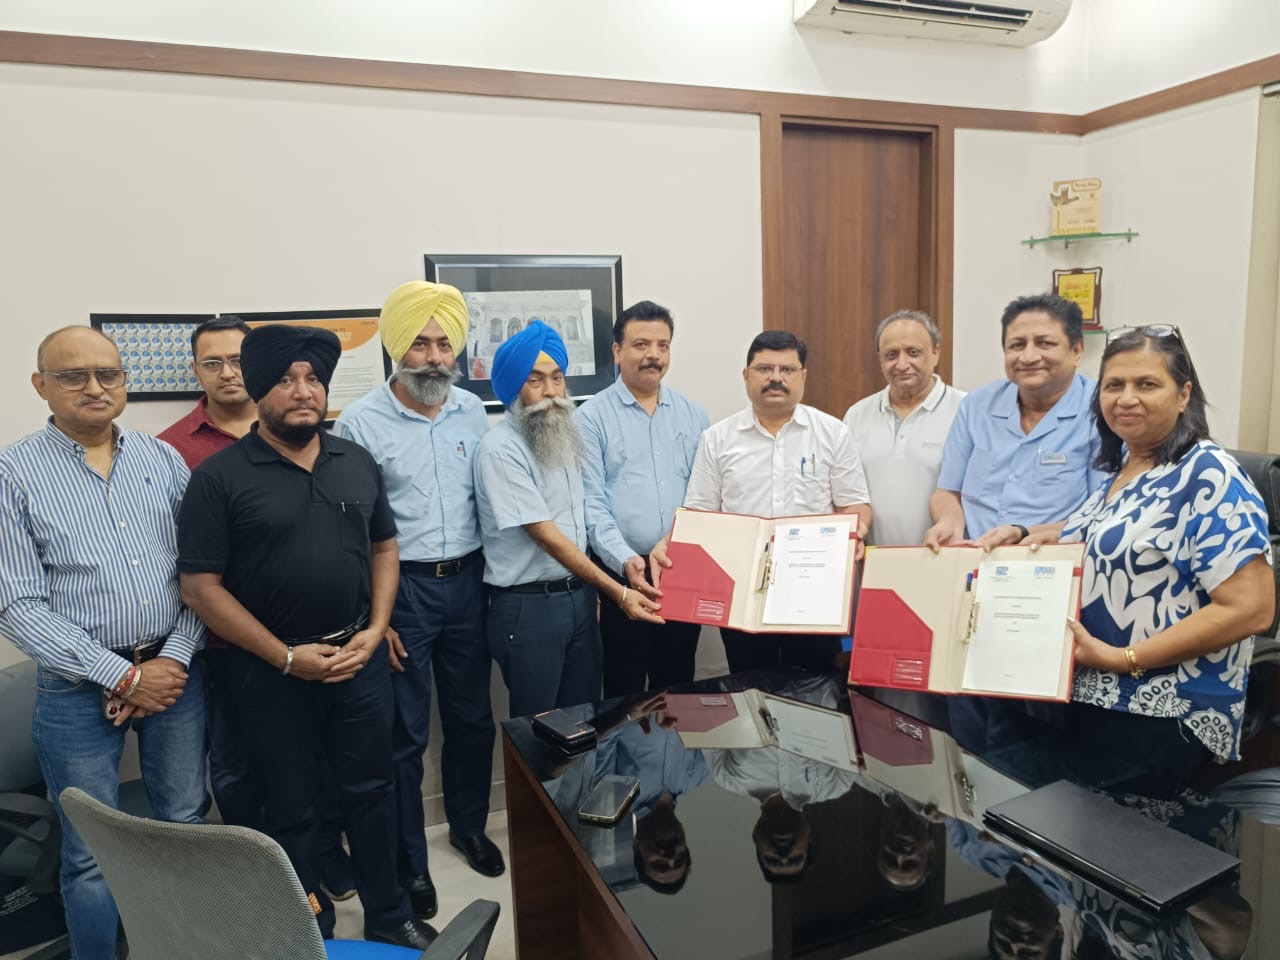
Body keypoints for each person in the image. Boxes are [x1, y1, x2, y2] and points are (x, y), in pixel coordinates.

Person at [177, 325, 434, 949]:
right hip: (268, 674)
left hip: (357, 660)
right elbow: (200, 589)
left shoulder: (355, 461)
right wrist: (287, 658)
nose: (303, 392)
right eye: (287, 380)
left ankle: (389, 914)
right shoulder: (220, 477)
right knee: (288, 806)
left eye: (313, 379)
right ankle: (309, 924)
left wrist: (375, 631)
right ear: (261, 390)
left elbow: (385, 547)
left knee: (373, 791)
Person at [0, 326, 205, 960]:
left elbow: (200, 577)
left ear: (124, 382)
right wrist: (121, 676)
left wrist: (171, 659)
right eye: (72, 376)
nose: (94, 387)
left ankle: (184, 949)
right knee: (89, 853)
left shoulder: (161, 459)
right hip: (75, 688)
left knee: (186, 828)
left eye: (108, 374)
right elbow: (17, 604)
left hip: (176, 673)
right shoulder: (11, 472)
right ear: (41, 386)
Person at [985, 325, 1273, 772]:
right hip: (1089, 703)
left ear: (1183, 395)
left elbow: (1252, 608)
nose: (1126, 398)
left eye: (1147, 384)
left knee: (1134, 842)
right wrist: (1032, 532)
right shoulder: (1127, 465)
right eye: (1113, 385)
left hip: (1161, 717)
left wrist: (1123, 659)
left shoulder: (1210, 473)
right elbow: (1128, 534)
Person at [335, 281, 503, 902]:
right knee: (404, 736)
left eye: (443, 344)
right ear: (395, 348)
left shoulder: (472, 412)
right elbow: (351, 532)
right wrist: (379, 618)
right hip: (401, 593)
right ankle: (412, 864)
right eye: (420, 344)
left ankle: (469, 830)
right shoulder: (360, 422)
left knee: (472, 718)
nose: (434, 357)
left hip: (468, 586)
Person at [653, 329, 871, 673]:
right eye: (764, 369)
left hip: (814, 596)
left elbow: (855, 506)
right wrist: (672, 543)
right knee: (750, 691)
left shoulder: (832, 433)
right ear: (746, 375)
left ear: (803, 377)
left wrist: (856, 533)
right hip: (743, 600)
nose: (775, 379)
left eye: (787, 370)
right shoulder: (717, 440)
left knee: (815, 694)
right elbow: (700, 515)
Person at [474, 320, 661, 718]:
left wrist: (609, 571)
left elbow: (586, 515)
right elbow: (546, 535)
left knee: (583, 721)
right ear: (513, 388)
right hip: (528, 610)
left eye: (557, 378)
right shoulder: (500, 449)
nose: (551, 392)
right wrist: (617, 592)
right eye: (535, 380)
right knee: (539, 730)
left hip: (577, 599)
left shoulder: (563, 436)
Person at [157, 315, 263, 835]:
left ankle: (319, 859)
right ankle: (255, 870)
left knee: (315, 753)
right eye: (213, 362)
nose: (228, 373)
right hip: (219, 642)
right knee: (234, 762)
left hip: (302, 628)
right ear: (196, 371)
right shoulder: (168, 450)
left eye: (239, 360)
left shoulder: (293, 428)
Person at [576, 300, 709, 695]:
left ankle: (672, 759)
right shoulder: (590, 417)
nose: (653, 355)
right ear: (617, 351)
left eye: (663, 345)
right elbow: (591, 503)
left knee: (678, 687)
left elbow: (703, 495)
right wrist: (627, 560)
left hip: (679, 571)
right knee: (624, 692)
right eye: (641, 344)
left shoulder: (694, 414)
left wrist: (678, 547)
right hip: (622, 575)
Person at [925, 293, 1105, 548]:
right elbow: (947, 491)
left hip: (1055, 563)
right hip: (975, 560)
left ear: (1076, 351)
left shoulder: (1102, 410)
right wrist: (948, 522)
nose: (1029, 357)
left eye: (1044, 343)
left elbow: (1104, 509)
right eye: (1017, 345)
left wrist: (1024, 532)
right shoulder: (976, 406)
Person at [842, 309, 964, 545]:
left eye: (913, 353)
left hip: (943, 555)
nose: (902, 364)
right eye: (891, 355)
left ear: (936, 352)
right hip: (872, 561)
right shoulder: (857, 414)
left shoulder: (965, 410)